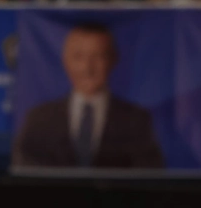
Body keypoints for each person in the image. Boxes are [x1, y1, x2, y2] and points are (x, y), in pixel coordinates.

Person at [13, 23, 165, 170]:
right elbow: (24, 171)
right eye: (78, 57)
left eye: (98, 56)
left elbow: (149, 175)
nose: (87, 68)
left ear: (113, 59)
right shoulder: (39, 119)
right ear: (65, 60)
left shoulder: (136, 120)